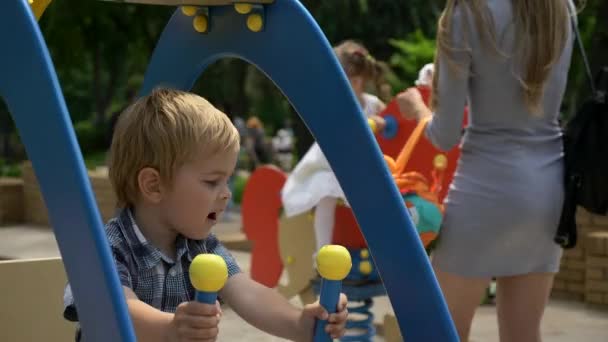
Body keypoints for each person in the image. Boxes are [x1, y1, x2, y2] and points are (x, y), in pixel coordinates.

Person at [63, 88, 348, 342]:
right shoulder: (106, 248)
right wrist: (169, 329)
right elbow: (110, 307)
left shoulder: (200, 246)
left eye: (227, 181)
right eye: (212, 182)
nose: (226, 194)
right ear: (154, 185)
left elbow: (248, 293)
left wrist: (298, 324)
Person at [396, 1, 574, 341]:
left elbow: (445, 135)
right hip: (549, 192)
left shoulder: (468, 11)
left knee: (441, 333)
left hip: (484, 191)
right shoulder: (561, 7)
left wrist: (419, 110)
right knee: (522, 334)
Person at [281, 40, 388, 254]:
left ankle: (378, 248)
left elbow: (389, 128)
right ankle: (323, 251)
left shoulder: (373, 105)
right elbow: (335, 137)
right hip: (331, 164)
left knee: (378, 194)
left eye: (344, 78)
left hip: (363, 165)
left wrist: (382, 124)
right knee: (326, 192)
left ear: (358, 81)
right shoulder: (337, 106)